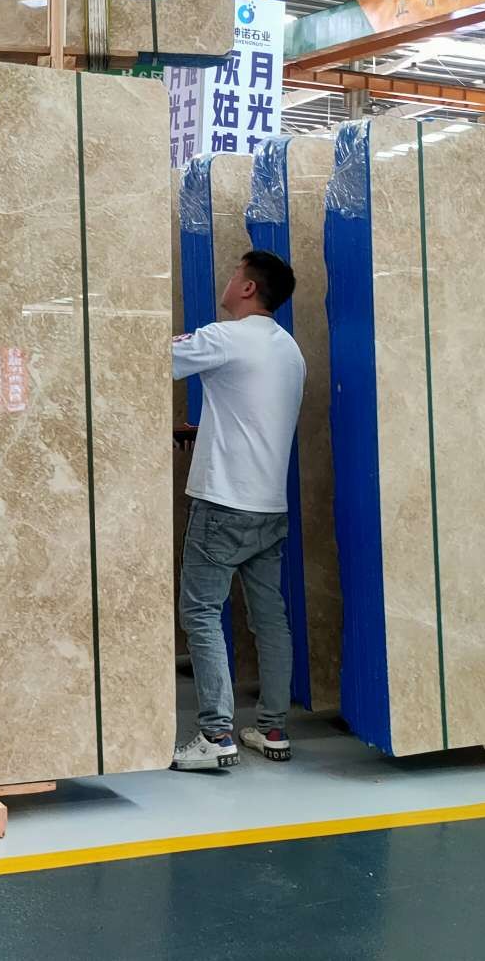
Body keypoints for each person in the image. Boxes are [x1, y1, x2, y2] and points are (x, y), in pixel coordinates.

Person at [170, 248, 305, 772]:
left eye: (233, 273)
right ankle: (272, 728)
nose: (227, 281)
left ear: (248, 287)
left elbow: (145, 359)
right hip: (268, 507)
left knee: (202, 612)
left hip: (223, 504)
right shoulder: (289, 350)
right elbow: (252, 416)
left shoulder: (225, 337)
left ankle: (216, 734)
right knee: (270, 619)